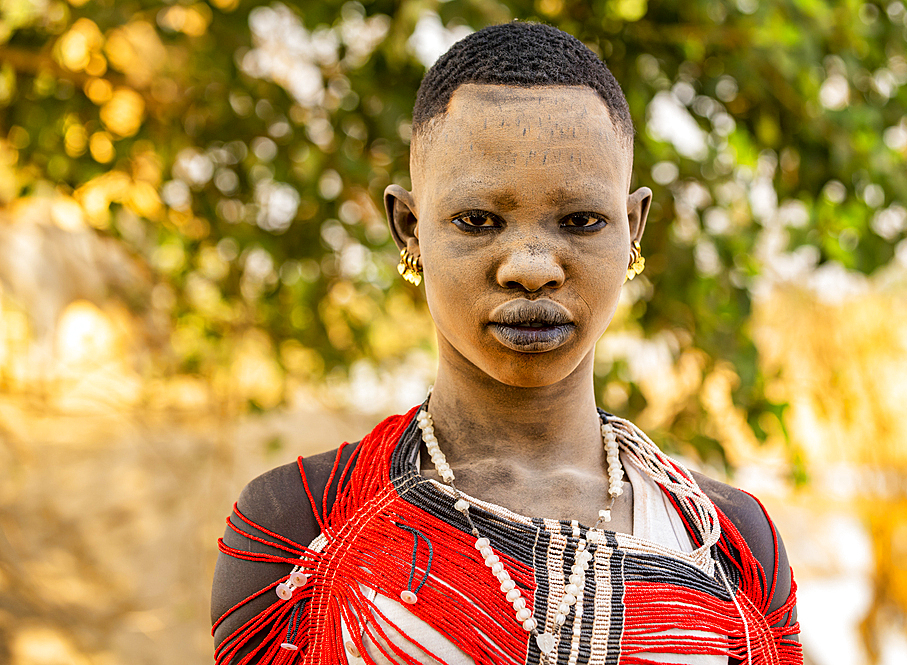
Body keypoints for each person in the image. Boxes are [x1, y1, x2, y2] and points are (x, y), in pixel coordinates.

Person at [211, 21, 800, 665]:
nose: (531, 266)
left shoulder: (731, 545)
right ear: (409, 229)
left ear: (632, 231)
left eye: (580, 221)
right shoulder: (303, 527)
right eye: (477, 221)